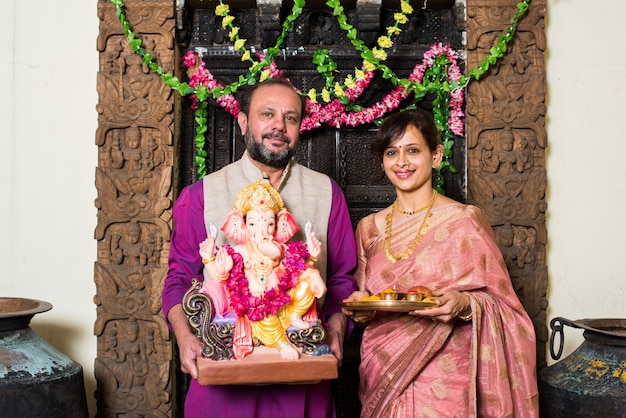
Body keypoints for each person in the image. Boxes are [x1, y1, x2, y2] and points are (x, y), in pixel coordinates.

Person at [162, 76, 358, 418]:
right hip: (224, 377)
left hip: (302, 375)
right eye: (267, 114)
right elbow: (178, 279)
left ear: (299, 127)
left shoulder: (327, 193)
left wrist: (338, 328)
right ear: (242, 122)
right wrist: (184, 335)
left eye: (291, 118)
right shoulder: (201, 195)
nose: (279, 126)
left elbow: (342, 280)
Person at [342, 109, 539, 417]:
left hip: (446, 377)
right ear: (383, 162)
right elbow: (367, 297)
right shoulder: (368, 228)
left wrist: (465, 302)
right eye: (392, 152)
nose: (402, 162)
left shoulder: (464, 220)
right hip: (384, 369)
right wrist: (359, 307)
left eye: (413, 150)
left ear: (436, 156)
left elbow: (507, 308)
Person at [198, 180, 327, 360]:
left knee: (306, 284)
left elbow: (297, 269)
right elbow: (220, 279)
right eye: (253, 224)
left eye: (269, 224)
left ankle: (295, 316)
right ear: (242, 225)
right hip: (257, 306)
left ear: (278, 224)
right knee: (262, 314)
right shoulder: (240, 251)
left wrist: (312, 265)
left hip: (284, 303)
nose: (262, 230)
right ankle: (282, 343)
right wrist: (210, 259)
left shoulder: (280, 248)